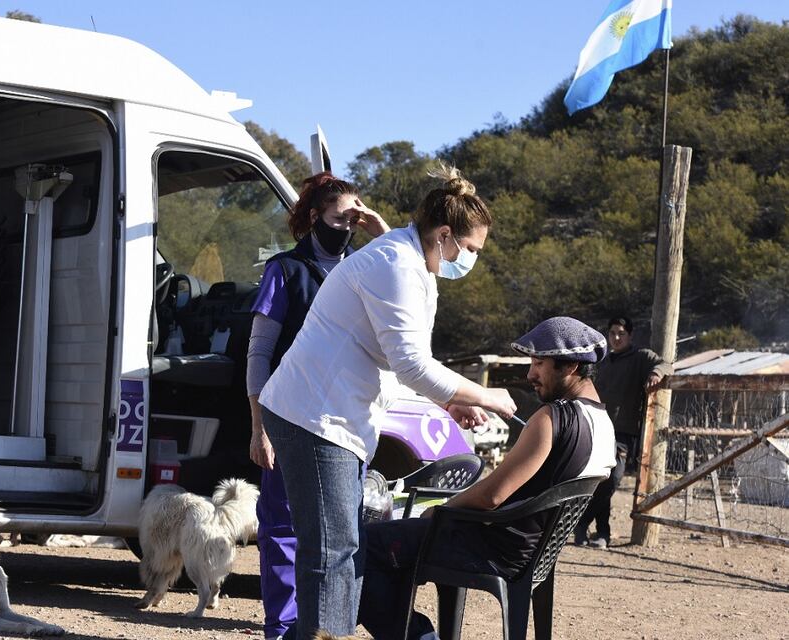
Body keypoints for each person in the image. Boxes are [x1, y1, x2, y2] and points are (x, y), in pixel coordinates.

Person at [258, 165, 517, 640]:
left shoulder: (414, 265)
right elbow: (413, 364)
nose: (471, 259)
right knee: (333, 550)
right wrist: (485, 394)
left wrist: (450, 403)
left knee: (341, 547)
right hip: (313, 415)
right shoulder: (395, 265)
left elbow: (405, 358)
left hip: (337, 417)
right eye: (472, 249)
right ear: (444, 234)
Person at [357, 316, 617, 640]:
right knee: (398, 542)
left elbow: (491, 497)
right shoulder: (603, 422)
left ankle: (420, 636)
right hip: (533, 551)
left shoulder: (552, 418)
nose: (530, 374)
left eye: (539, 363)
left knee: (363, 548)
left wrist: (441, 509)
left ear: (571, 367)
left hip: (494, 548)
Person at [247, 172, 390, 640]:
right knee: (285, 527)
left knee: (340, 532)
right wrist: (259, 427)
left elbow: (405, 282)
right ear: (313, 218)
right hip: (290, 416)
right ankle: (284, 627)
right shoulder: (285, 270)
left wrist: (381, 232)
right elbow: (259, 353)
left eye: (355, 218)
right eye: (339, 218)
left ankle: (327, 626)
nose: (347, 226)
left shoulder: (363, 269)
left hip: (345, 425)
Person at [576, 315, 673, 548]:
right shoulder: (604, 362)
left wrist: (656, 374)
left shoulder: (640, 357)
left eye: (621, 333)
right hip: (597, 430)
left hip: (622, 434)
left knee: (612, 480)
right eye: (612, 333)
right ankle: (602, 533)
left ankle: (581, 524)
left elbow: (666, 363)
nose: (616, 338)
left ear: (630, 335)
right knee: (598, 482)